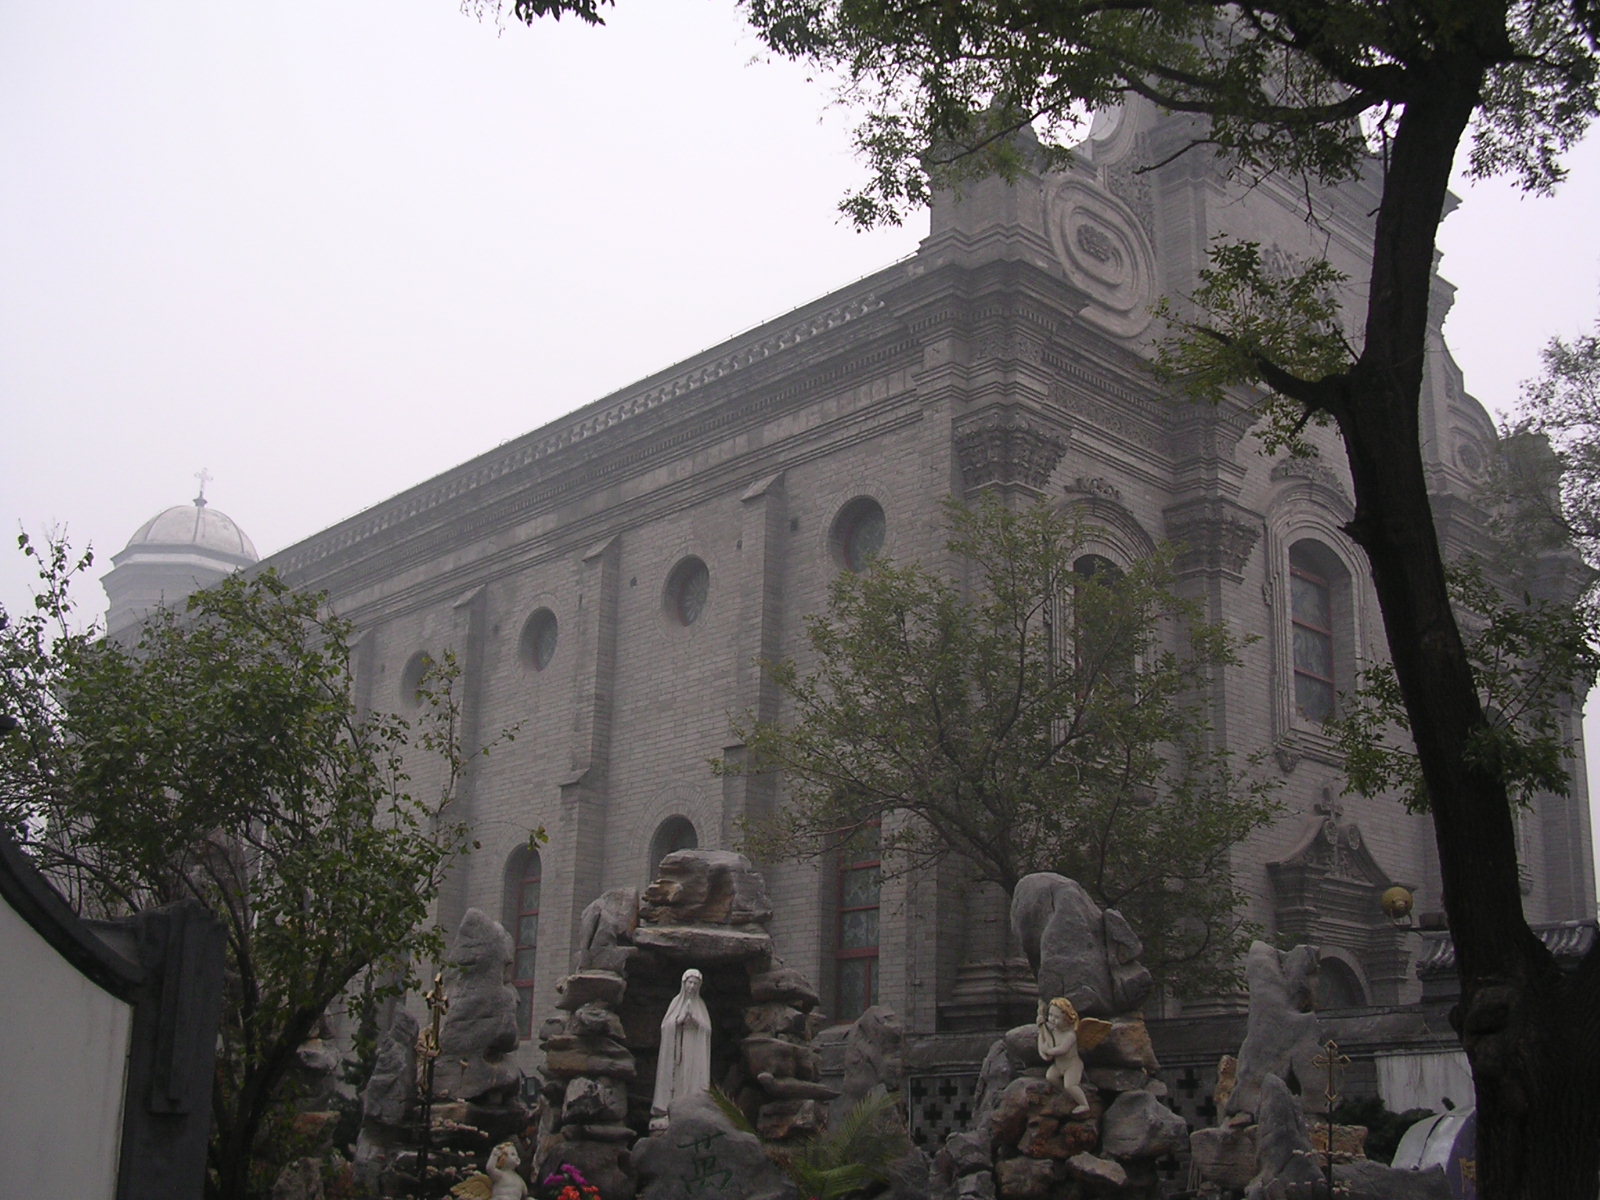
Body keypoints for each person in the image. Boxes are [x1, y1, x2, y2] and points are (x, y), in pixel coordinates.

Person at [650, 968, 712, 1131]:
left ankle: (692, 1108)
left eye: (695, 984)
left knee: (690, 1075)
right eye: (690, 983)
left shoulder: (700, 1005)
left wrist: (696, 1021)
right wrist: (680, 1020)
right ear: (684, 984)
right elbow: (666, 1026)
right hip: (677, 1047)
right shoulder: (676, 1002)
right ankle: (671, 1109)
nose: (692, 986)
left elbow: (707, 1029)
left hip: (694, 1047)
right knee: (678, 1076)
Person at [1036, 996, 1091, 1114]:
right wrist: (1042, 1050)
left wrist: (1048, 1051)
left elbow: (1062, 1050)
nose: (1052, 1019)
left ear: (1067, 1019)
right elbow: (1042, 1039)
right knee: (1050, 1076)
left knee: (1070, 1085)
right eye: (1050, 1015)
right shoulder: (1052, 1030)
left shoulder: (1070, 1035)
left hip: (1072, 1065)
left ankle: (1084, 1104)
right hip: (1059, 1065)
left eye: (1056, 1017)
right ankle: (1067, 1095)